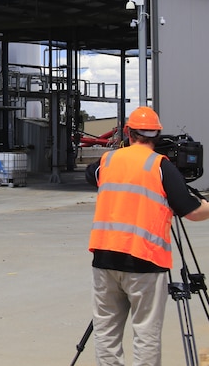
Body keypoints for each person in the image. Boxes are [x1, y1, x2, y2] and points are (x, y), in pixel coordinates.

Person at [86, 106, 209, 365]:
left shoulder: (108, 160)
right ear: (157, 136)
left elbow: (92, 176)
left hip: (104, 259)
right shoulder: (160, 166)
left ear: (129, 133)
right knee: (146, 332)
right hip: (145, 262)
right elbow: (192, 212)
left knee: (106, 332)